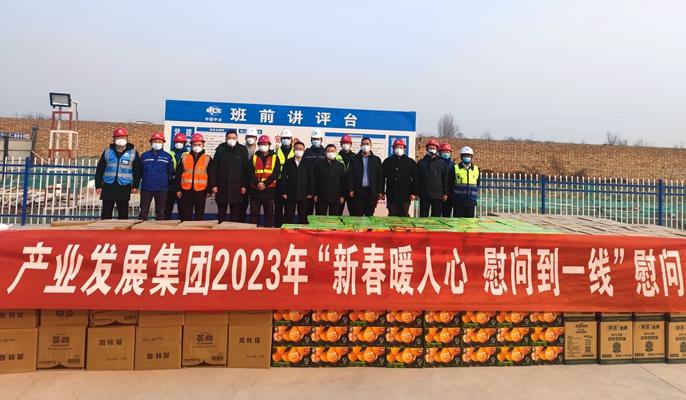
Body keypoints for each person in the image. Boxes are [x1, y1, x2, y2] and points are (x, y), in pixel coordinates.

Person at [95, 127, 141, 220]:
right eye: (118, 137)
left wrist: (135, 186)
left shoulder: (133, 153)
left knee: (123, 213)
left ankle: (122, 229)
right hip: (108, 185)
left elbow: (137, 172)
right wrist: (98, 185)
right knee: (106, 213)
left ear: (127, 138)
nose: (121, 139)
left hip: (124, 185)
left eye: (123, 137)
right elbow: (100, 170)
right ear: (114, 139)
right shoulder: (107, 152)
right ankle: (105, 229)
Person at [208, 129, 249, 223]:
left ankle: (233, 230)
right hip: (221, 188)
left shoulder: (242, 150)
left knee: (235, 213)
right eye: (229, 138)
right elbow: (213, 169)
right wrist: (213, 185)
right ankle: (220, 230)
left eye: (233, 138)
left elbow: (246, 170)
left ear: (237, 138)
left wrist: (244, 185)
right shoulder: (220, 150)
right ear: (225, 139)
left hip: (237, 188)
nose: (231, 139)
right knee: (221, 213)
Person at [175, 133, 211, 221]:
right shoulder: (184, 157)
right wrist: (178, 189)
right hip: (186, 190)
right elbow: (178, 174)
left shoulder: (208, 158)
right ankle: (186, 229)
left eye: (199, 144)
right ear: (191, 145)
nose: (197, 146)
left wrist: (209, 190)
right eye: (194, 144)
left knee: (199, 213)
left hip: (201, 191)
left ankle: (198, 230)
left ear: (203, 145)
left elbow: (211, 175)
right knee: (186, 214)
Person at [139, 132, 174, 220]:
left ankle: (160, 228)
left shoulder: (168, 157)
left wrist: (163, 180)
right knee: (143, 212)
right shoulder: (144, 156)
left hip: (161, 189)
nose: (157, 143)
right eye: (155, 141)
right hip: (146, 188)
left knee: (161, 212)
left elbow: (169, 172)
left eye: (159, 142)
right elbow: (141, 170)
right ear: (151, 142)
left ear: (163, 143)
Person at [248, 135, 281, 227]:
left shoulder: (275, 157)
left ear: (269, 145)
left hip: (269, 190)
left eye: (265, 144)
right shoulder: (254, 157)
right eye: (261, 144)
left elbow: (276, 173)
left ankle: (268, 231)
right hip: (255, 189)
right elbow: (250, 172)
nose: (263, 146)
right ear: (258, 145)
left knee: (269, 213)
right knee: (254, 212)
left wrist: (265, 184)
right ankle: (253, 231)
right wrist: (257, 183)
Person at [347, 137, 383, 217]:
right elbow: (350, 175)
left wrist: (380, 191)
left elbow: (380, 176)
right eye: (363, 144)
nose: (365, 146)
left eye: (367, 144)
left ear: (371, 146)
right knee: (357, 214)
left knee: (369, 215)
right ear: (360, 146)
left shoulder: (376, 160)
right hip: (358, 191)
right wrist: (350, 189)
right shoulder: (354, 159)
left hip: (371, 191)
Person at [382, 139, 419, 217]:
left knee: (404, 217)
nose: (399, 149)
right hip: (391, 196)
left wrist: (414, 193)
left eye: (401, 147)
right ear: (393, 149)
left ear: (404, 149)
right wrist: (381, 191)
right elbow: (381, 178)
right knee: (392, 217)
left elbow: (416, 178)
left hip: (405, 197)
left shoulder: (410, 162)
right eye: (397, 147)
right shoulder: (387, 162)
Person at [281, 141, 315, 224]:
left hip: (304, 193)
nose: (298, 151)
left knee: (303, 216)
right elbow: (283, 178)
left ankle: (302, 232)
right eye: (296, 149)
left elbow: (311, 178)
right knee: (288, 215)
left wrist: (310, 192)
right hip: (290, 193)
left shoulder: (308, 163)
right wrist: (283, 192)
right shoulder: (288, 162)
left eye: (300, 149)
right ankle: (288, 231)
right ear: (293, 150)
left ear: (304, 151)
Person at [417, 138, 449, 217]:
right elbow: (417, 179)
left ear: (437, 150)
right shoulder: (421, 163)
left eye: (434, 148)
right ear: (427, 149)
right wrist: (416, 192)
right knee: (423, 218)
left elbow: (445, 179)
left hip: (437, 195)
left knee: (436, 218)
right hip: (424, 195)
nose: (432, 150)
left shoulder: (441, 163)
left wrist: (445, 193)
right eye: (430, 148)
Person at [314, 144, 346, 215]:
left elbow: (343, 181)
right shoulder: (319, 165)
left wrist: (342, 195)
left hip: (335, 196)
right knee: (321, 217)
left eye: (332, 151)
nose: (331, 153)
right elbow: (316, 180)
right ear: (325, 153)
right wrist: (315, 194)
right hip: (322, 196)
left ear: (336, 152)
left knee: (334, 218)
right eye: (328, 151)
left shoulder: (340, 165)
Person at [449, 146, 480, 218]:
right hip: (458, 200)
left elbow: (477, 183)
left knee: (469, 223)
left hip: (471, 200)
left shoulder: (476, 169)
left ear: (471, 157)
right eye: (464, 156)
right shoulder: (455, 168)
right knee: (457, 222)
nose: (466, 157)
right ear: (461, 157)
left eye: (468, 156)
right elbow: (451, 183)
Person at [274, 128, 295, 227]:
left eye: (288, 138)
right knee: (278, 207)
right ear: (280, 139)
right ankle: (278, 226)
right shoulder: (275, 151)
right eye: (284, 138)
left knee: (289, 208)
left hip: (291, 183)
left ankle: (287, 227)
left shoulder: (295, 151)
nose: (286, 140)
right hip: (278, 182)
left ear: (291, 139)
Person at [165, 133, 188, 220]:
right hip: (170, 185)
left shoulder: (188, 155)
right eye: (177, 142)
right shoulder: (169, 154)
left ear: (184, 143)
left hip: (182, 185)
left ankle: (181, 225)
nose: (179, 144)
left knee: (182, 208)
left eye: (181, 142)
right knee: (168, 207)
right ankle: (166, 224)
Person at [238, 126, 259, 223]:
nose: (251, 138)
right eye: (249, 136)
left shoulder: (260, 150)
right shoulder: (240, 149)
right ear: (245, 137)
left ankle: (253, 225)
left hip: (256, 181)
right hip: (243, 181)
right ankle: (241, 224)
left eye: (253, 136)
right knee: (242, 205)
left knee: (255, 206)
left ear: (256, 138)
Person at [304, 129, 326, 216]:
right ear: (311, 140)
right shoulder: (307, 152)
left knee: (320, 211)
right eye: (314, 139)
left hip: (320, 184)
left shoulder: (325, 152)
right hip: (308, 184)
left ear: (321, 140)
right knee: (307, 210)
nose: (316, 141)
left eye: (317, 139)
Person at [335, 134, 355, 215]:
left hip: (351, 188)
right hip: (339, 189)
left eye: (347, 143)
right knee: (338, 213)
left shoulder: (355, 157)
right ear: (340, 144)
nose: (345, 145)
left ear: (351, 144)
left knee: (353, 213)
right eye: (343, 143)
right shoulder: (336, 157)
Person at [439, 142, 455, 217]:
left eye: (448, 152)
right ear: (439, 152)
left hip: (450, 194)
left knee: (446, 215)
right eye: (444, 152)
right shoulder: (436, 163)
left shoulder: (453, 166)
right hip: (438, 193)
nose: (446, 153)